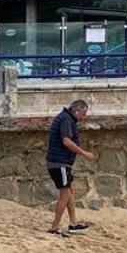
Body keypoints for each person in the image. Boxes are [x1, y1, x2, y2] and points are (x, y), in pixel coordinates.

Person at [46, 99, 96, 236]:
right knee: (65, 193)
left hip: (60, 162)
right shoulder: (67, 120)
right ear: (77, 111)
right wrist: (84, 153)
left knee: (69, 190)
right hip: (59, 162)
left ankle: (73, 223)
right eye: (83, 114)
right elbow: (67, 141)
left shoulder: (65, 117)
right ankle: (54, 227)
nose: (83, 117)